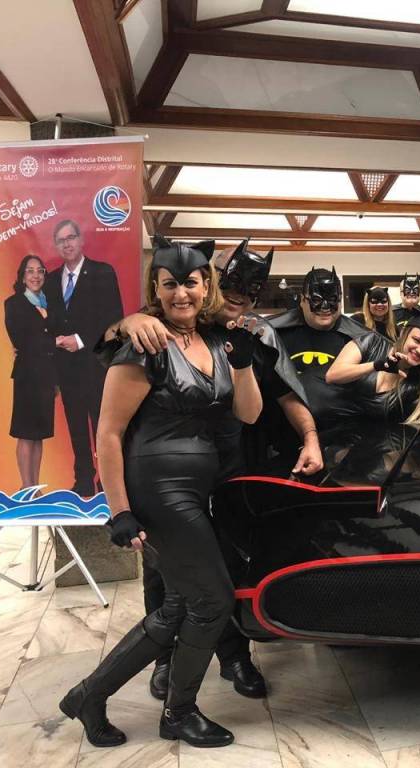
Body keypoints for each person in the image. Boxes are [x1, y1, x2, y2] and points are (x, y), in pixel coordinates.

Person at [59, 238, 263, 749]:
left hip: (200, 489)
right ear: (156, 288)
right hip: (159, 488)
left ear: (206, 285)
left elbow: (249, 414)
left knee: (176, 606)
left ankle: (88, 696)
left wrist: (243, 364)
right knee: (212, 601)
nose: (181, 293)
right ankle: (179, 713)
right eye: (170, 284)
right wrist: (119, 511)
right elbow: (108, 432)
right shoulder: (144, 343)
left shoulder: (216, 341)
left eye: (190, 282)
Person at [103, 239, 321, 701]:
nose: (239, 298)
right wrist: (129, 321)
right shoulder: (160, 324)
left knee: (224, 566)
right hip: (164, 474)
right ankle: (166, 661)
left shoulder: (253, 333)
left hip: (231, 465)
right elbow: (108, 358)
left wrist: (310, 437)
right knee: (165, 573)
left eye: (250, 292)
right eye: (233, 286)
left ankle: (233, 655)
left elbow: (284, 391)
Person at [45, 219, 123, 497]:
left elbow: (114, 320)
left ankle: (108, 481)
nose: (66, 244)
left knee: (103, 428)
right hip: (66, 370)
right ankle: (84, 481)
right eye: (61, 240)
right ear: (56, 245)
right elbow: (48, 323)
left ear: (81, 240)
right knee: (76, 428)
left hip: (97, 367)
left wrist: (79, 340)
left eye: (71, 238)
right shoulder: (51, 280)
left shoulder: (103, 272)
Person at [269, 266, 372, 427]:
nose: (325, 307)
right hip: (283, 425)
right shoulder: (273, 333)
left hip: (338, 428)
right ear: (302, 300)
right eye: (316, 300)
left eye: (332, 300)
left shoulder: (360, 338)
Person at [4, 255, 57, 491]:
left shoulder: (49, 303)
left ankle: (35, 487)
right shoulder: (14, 303)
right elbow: (22, 341)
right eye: (30, 271)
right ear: (22, 277)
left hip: (47, 377)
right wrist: (55, 342)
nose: (35, 275)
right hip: (27, 377)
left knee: (38, 434)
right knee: (26, 433)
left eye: (40, 271)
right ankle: (26, 487)